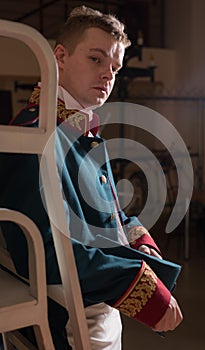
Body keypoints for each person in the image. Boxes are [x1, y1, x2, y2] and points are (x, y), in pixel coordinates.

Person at [0, 5, 183, 350]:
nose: (107, 76)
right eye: (96, 59)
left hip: (100, 311)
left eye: (114, 67)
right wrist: (139, 284)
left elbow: (105, 215)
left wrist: (138, 240)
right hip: (71, 321)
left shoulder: (79, 132)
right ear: (60, 57)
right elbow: (43, 254)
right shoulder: (32, 135)